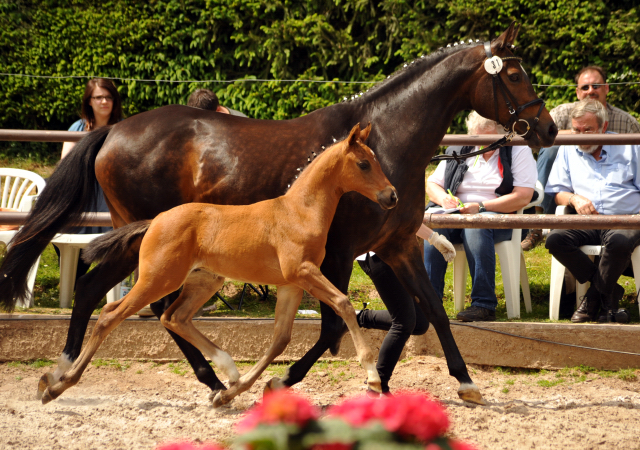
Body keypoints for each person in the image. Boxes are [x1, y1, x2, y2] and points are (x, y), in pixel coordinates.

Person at [423, 111, 537, 322]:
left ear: (503, 135)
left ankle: (483, 305)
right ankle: (430, 303)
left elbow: (523, 195)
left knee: (476, 225)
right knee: (434, 227)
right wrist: (443, 200)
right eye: (477, 138)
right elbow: (432, 184)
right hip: (455, 213)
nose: (482, 145)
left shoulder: (517, 149)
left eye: (488, 140)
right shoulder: (462, 147)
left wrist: (481, 207)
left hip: (496, 215)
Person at [523, 65, 640, 251]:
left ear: (607, 88)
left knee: (619, 240)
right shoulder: (561, 114)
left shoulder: (626, 124)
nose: (590, 91)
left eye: (596, 86)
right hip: (578, 198)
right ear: (577, 92)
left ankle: (598, 280)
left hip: (623, 213)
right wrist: (573, 136)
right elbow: (538, 141)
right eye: (585, 87)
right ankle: (539, 222)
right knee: (551, 150)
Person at [545, 99, 640, 324]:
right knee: (555, 239)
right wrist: (574, 198)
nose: (581, 136)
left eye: (588, 130)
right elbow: (557, 192)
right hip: (585, 220)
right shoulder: (569, 148)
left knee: (618, 241)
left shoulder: (630, 146)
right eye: (576, 130)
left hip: (624, 219)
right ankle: (608, 293)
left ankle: (592, 299)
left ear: (604, 127)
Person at [355, 224, 455, 396]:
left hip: (397, 252)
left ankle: (359, 317)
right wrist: (433, 237)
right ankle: (378, 385)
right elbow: (401, 214)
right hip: (379, 253)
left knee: (420, 323)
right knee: (404, 322)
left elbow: (408, 213)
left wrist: (434, 238)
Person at [57, 79, 121, 285]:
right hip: (82, 186)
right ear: (89, 101)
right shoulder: (77, 127)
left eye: (108, 97)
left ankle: (102, 279)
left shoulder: (123, 129)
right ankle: (74, 277)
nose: (104, 101)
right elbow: (64, 164)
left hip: (110, 187)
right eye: (98, 97)